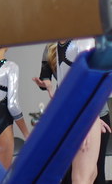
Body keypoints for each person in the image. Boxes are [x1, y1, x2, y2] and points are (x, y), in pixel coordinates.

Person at [34, 39, 110, 183]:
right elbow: (67, 87)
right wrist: (50, 88)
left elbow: (92, 83)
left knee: (87, 175)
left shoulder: (82, 40)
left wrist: (90, 120)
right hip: (74, 115)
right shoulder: (57, 45)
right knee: (82, 176)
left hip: (85, 115)